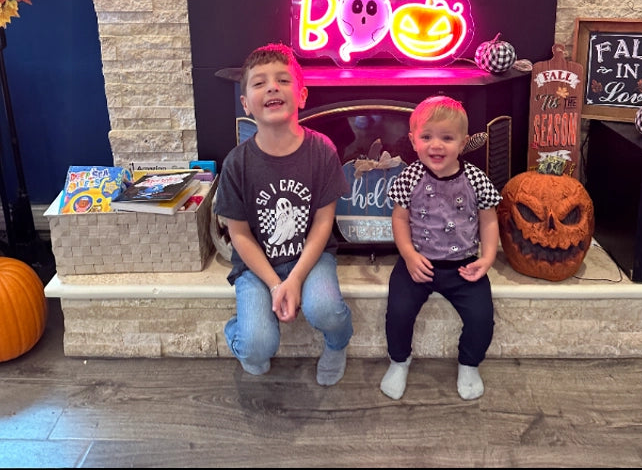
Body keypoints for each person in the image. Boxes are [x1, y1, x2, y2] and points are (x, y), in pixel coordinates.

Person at [212, 43, 353, 385]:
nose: (272, 87)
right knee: (256, 350)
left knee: (326, 310)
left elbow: (323, 223)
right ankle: (239, 335)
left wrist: (296, 278)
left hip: (311, 257)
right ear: (246, 104)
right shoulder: (237, 163)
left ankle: (338, 345)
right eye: (259, 83)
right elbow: (239, 234)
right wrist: (277, 285)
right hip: (256, 266)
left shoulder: (321, 151)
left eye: (283, 80)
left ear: (302, 96)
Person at [380, 95, 502, 401]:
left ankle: (469, 363)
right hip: (417, 263)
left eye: (447, 138)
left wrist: (487, 258)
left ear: (462, 143)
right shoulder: (409, 177)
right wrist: (408, 255)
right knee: (398, 312)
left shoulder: (476, 179)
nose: (436, 145)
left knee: (481, 318)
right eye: (427, 137)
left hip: (463, 266)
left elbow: (489, 220)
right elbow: (399, 218)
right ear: (414, 141)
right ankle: (399, 360)